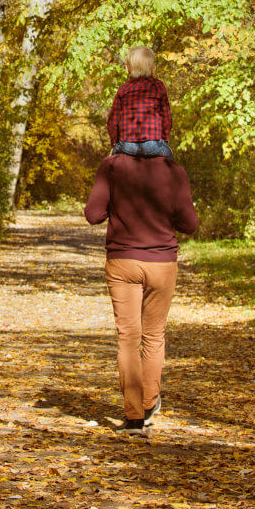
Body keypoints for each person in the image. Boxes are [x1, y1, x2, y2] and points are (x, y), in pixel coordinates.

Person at [83, 148, 198, 434]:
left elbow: (93, 214)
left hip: (123, 262)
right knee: (154, 335)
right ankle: (149, 405)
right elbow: (190, 224)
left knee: (128, 337)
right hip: (161, 263)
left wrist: (116, 207)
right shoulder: (174, 171)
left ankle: (133, 417)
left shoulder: (111, 166)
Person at [106, 46, 174, 160]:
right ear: (154, 68)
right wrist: (165, 140)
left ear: (128, 69)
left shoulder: (123, 89)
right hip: (153, 145)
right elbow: (167, 118)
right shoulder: (158, 86)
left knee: (110, 161)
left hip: (126, 146)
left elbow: (113, 120)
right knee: (171, 163)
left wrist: (114, 143)